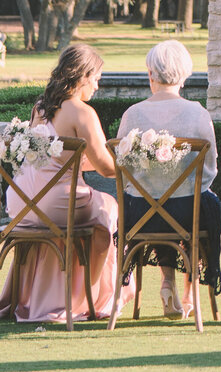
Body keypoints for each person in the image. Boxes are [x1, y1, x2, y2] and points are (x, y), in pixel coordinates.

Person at [0, 45, 127, 322]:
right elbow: (106, 167)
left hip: (22, 201)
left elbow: (56, 160)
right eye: (96, 78)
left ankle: (39, 296)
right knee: (109, 207)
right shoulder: (83, 113)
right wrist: (132, 167)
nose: (97, 86)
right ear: (82, 76)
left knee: (86, 207)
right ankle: (84, 297)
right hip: (57, 203)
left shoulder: (41, 107)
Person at [115, 37, 221, 318]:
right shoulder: (198, 114)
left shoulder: (132, 114)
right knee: (202, 202)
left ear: (151, 74)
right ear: (185, 75)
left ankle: (167, 282)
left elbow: (122, 168)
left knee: (157, 200)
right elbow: (209, 171)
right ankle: (190, 293)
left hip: (140, 213)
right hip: (187, 213)